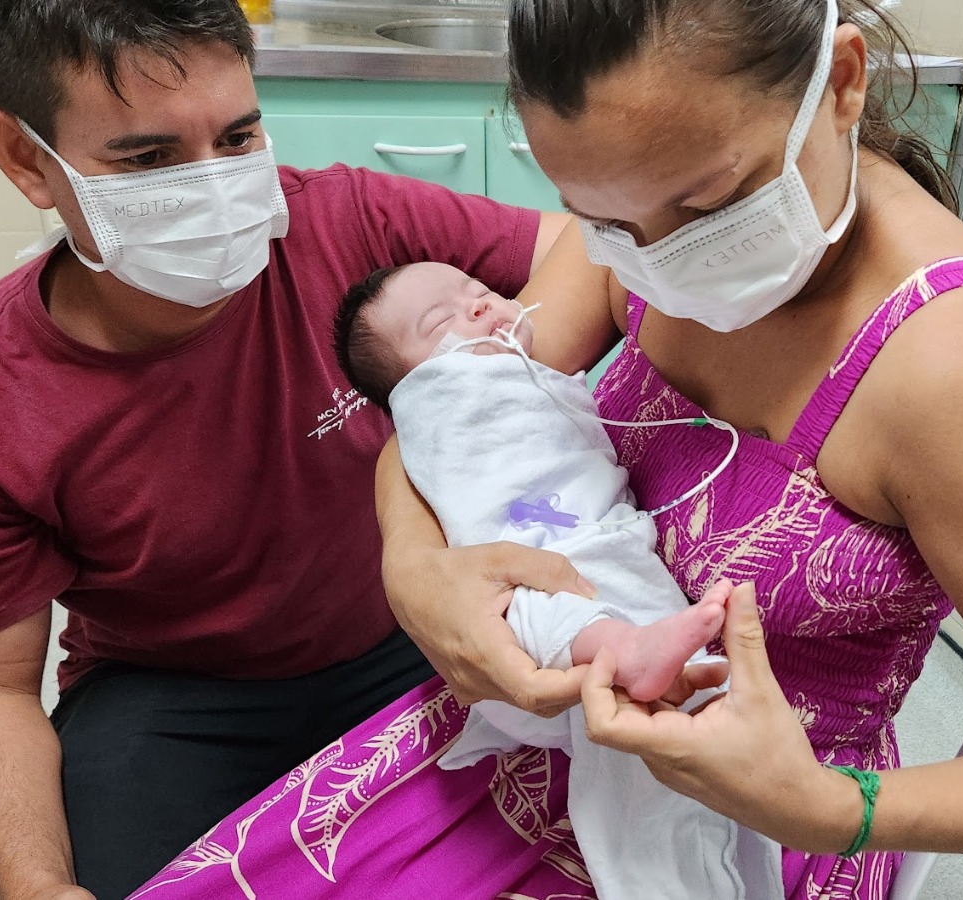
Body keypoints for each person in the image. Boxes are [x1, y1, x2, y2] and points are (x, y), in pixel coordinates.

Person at [0, 2, 963, 899]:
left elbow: (566, 285)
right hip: (189, 693)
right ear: (22, 160)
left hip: (462, 668)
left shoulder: (364, 223)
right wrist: (414, 561)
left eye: (240, 134)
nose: (217, 190)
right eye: (147, 159)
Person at [332, 261, 788, 896]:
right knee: (547, 612)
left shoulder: (519, 360)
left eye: (482, 291)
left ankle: (633, 656)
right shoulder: (451, 397)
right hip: (526, 599)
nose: (479, 306)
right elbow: (414, 429)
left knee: (645, 685)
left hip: (609, 550)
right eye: (442, 320)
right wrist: (410, 564)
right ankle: (626, 657)